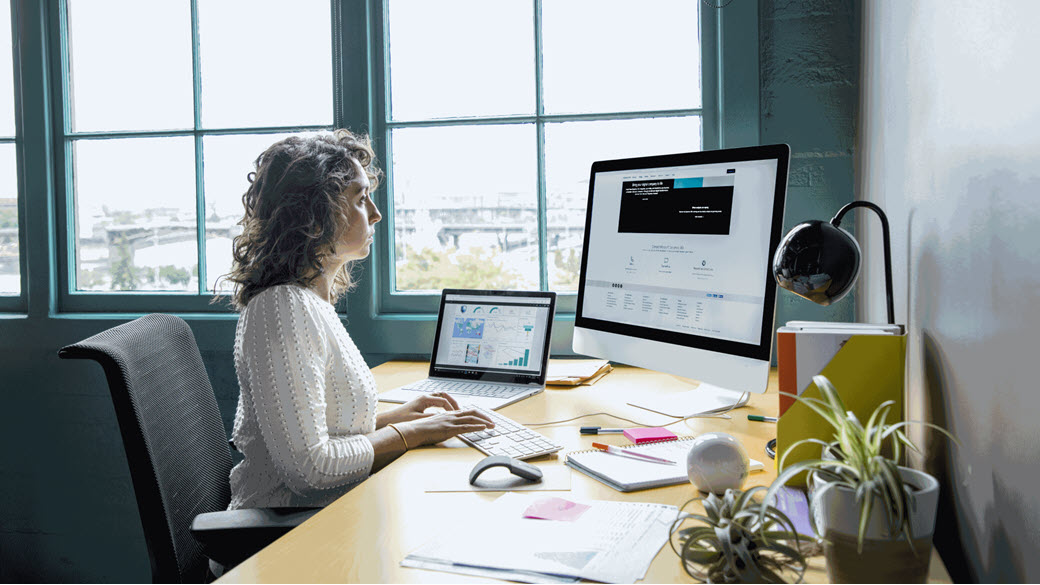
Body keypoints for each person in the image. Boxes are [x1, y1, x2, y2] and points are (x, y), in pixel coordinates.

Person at [221, 129, 494, 509]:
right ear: (315, 217)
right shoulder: (282, 308)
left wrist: (398, 418)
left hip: (330, 516)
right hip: (282, 538)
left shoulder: (310, 302)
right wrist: (410, 433)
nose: (376, 214)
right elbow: (310, 469)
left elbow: (327, 430)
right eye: (361, 199)